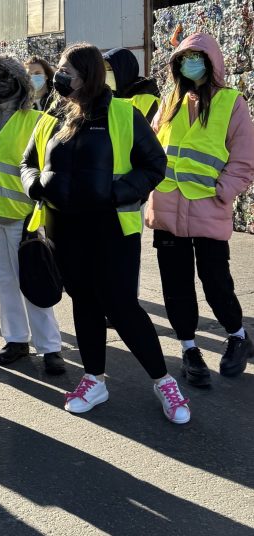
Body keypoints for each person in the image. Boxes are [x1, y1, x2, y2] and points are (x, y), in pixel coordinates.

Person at [21, 43, 192, 424]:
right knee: (83, 301)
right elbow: (27, 161)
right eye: (60, 70)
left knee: (121, 306)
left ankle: (163, 381)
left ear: (89, 74)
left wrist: (117, 192)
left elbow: (154, 164)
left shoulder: (124, 114)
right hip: (64, 228)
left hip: (113, 228)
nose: (60, 76)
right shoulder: (51, 116)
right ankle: (94, 379)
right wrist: (36, 186)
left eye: (68, 70)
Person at [146, 33, 254, 387]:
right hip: (166, 208)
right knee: (175, 286)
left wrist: (223, 192)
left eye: (198, 56)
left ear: (212, 61)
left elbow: (243, 160)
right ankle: (189, 348)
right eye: (184, 57)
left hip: (207, 208)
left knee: (216, 282)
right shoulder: (169, 101)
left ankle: (238, 335)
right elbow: (151, 146)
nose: (191, 62)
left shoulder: (231, 103)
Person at [0, 53, 64, 374]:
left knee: (32, 280)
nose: (0, 82)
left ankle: (50, 346)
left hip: (24, 216)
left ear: (21, 83)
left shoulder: (37, 121)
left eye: (7, 76)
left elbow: (50, 170)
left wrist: (47, 214)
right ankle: (16, 340)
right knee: (2, 281)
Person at [103, 47, 160, 122]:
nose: (105, 74)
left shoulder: (145, 98)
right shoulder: (112, 96)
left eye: (109, 69)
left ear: (123, 71)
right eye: (104, 70)